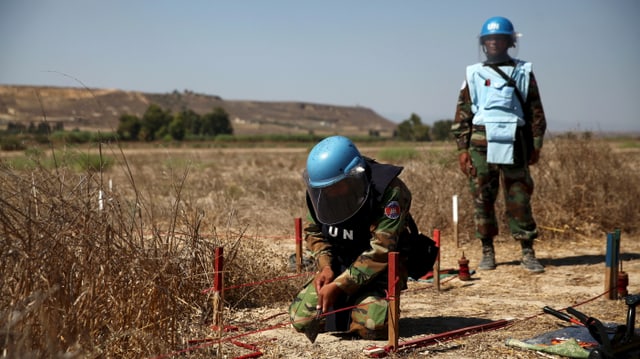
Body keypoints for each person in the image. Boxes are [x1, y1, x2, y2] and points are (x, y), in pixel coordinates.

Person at [289, 135, 412, 340]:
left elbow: (382, 251)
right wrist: (326, 267)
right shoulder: (323, 191)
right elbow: (314, 232)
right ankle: (348, 309)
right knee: (301, 320)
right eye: (325, 189)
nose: (330, 192)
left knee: (372, 327)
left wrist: (339, 286)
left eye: (336, 185)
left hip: (377, 273)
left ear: (355, 175)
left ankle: (370, 308)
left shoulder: (390, 192)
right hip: (339, 264)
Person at [451, 16, 547, 273]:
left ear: (509, 41)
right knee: (482, 197)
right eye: (489, 39)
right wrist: (462, 150)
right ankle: (487, 250)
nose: (494, 42)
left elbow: (535, 112)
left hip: (516, 144)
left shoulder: (524, 71)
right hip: (480, 146)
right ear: (483, 43)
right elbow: (463, 115)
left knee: (519, 198)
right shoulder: (473, 73)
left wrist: (536, 144)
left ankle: (527, 250)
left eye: (499, 38)